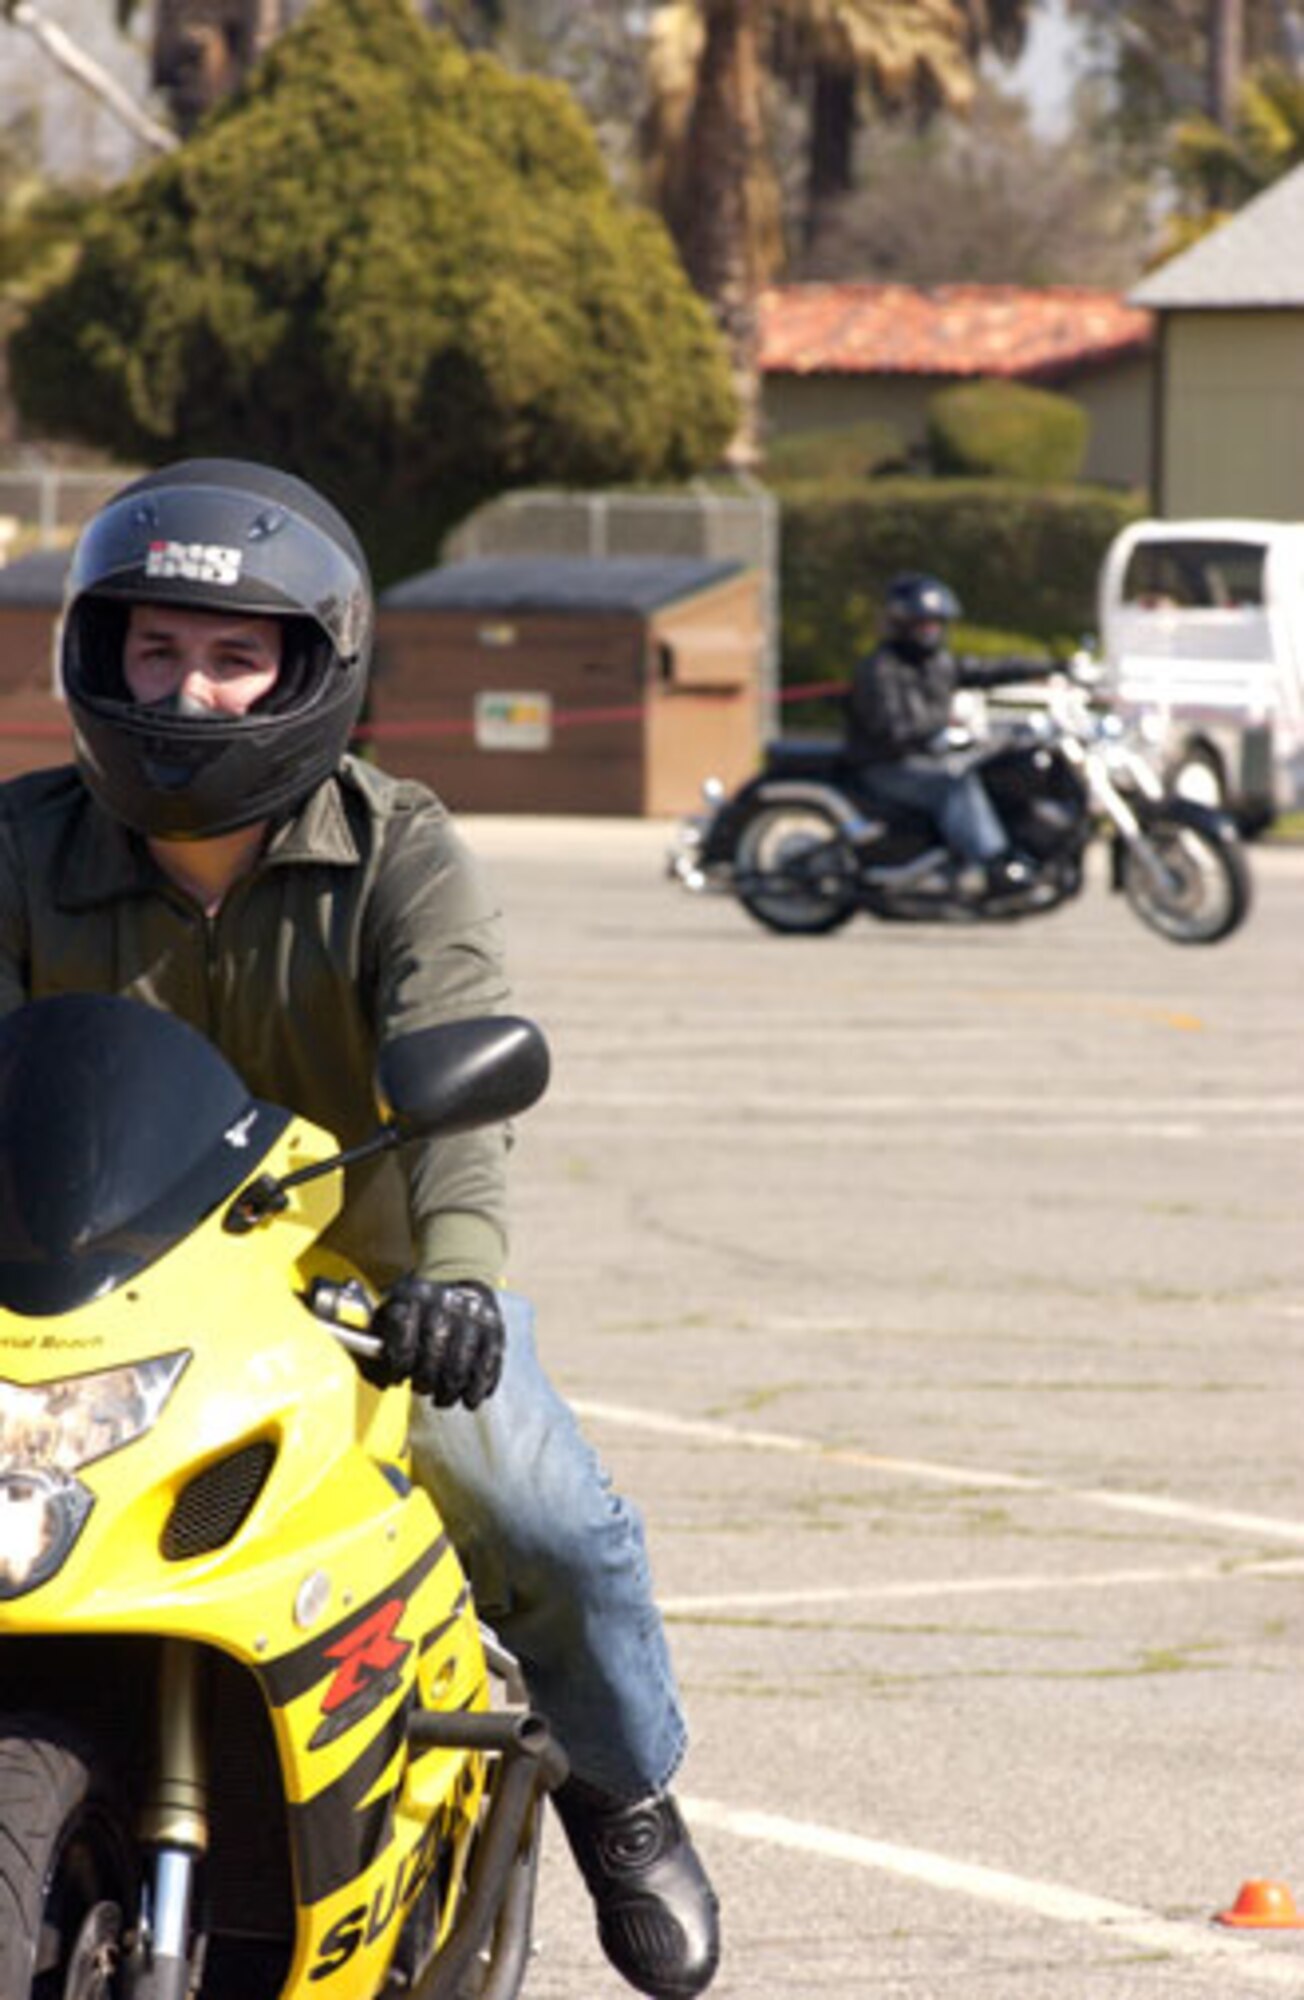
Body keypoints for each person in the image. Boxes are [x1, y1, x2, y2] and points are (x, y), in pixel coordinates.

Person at [0, 459, 719, 2000]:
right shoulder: (16, 846)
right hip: (69, 1309)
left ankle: (619, 1788)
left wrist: (456, 1288)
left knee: (540, 1519)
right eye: (157, 651)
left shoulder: (403, 853)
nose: (189, 693)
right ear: (99, 654)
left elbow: (462, 1097)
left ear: (312, 669)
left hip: (357, 1302)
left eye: (234, 656)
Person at [845, 571, 1049, 895]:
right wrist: (948, 727)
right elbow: (894, 729)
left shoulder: (937, 663)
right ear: (903, 623)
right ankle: (994, 863)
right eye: (924, 625)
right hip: (887, 765)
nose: (932, 632)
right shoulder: (880, 669)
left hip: (921, 757)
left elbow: (986, 670)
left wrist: (1047, 667)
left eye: (937, 624)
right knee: (954, 784)